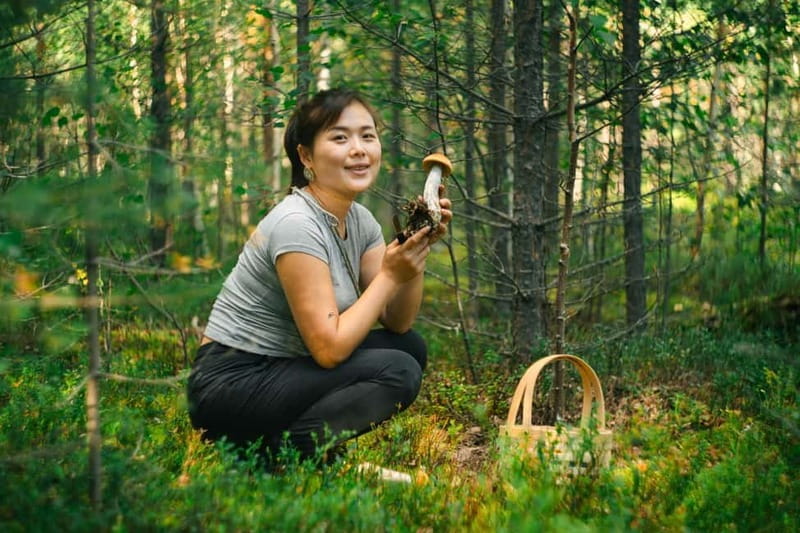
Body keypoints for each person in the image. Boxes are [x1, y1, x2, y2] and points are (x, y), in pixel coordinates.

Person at [186, 88, 453, 463]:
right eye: (340, 138)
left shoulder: (359, 220)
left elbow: (397, 320)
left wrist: (416, 249)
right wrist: (391, 276)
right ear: (306, 156)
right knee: (398, 371)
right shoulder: (296, 223)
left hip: (282, 368)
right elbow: (328, 350)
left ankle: (287, 448)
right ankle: (287, 456)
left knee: (408, 347)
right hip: (231, 384)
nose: (358, 149)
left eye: (367, 136)